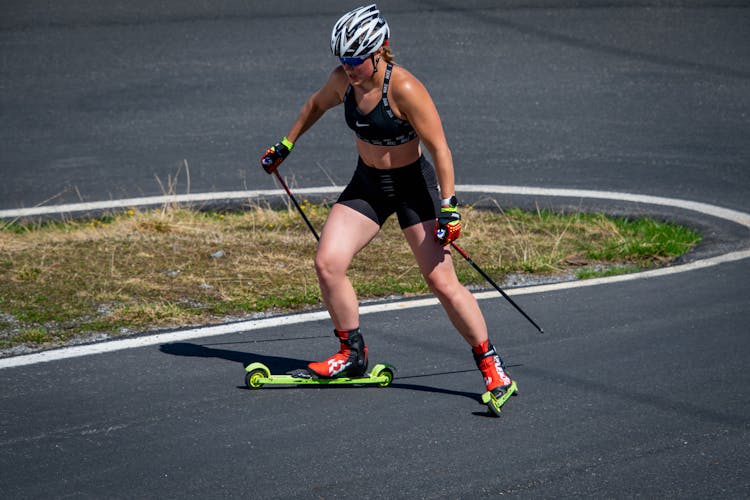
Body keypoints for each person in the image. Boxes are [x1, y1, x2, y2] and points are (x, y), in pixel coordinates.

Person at [260, 4, 517, 407]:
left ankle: (492, 367)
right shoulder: (343, 82)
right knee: (327, 262)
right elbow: (314, 105)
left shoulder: (405, 89)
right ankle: (352, 355)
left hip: (413, 187)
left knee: (441, 282)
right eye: (343, 61)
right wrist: (286, 144)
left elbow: (440, 148)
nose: (349, 68)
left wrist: (450, 208)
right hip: (369, 185)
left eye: (356, 60)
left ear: (380, 49)